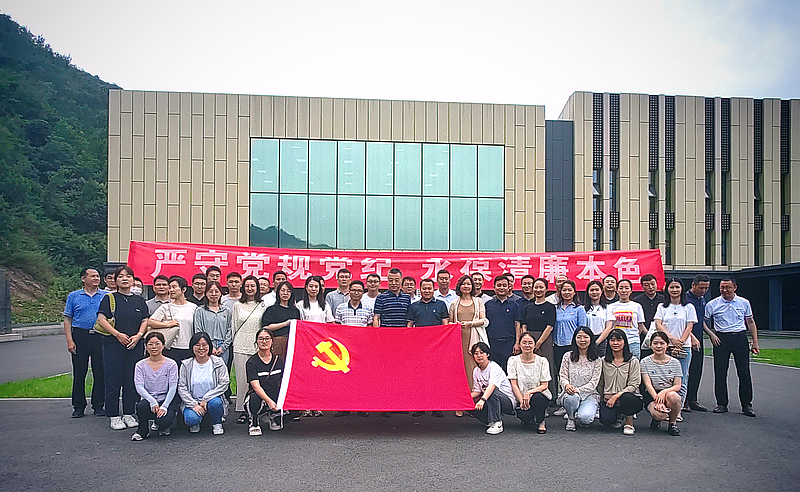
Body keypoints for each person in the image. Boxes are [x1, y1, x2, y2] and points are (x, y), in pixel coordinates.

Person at [96, 266, 149, 430]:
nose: (125, 279)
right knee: (113, 380)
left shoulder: (139, 300)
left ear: (133, 280)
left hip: (134, 345)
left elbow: (145, 320)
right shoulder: (109, 298)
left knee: (131, 380)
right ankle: (113, 415)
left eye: (128, 276)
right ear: (115, 280)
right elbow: (101, 319)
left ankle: (128, 413)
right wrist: (117, 334)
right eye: (121, 276)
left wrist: (139, 335)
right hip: (113, 344)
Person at [705, 277, 759, 417]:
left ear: (735, 287)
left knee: (744, 372)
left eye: (728, 287)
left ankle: (746, 404)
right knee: (720, 372)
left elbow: (750, 321)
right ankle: (722, 404)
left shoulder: (744, 302)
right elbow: (703, 321)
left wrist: (755, 341)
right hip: (721, 338)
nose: (725, 290)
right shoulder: (712, 304)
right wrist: (711, 334)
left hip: (739, 337)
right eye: (722, 287)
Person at [63, 267, 106, 418]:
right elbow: (68, 319)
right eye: (92, 276)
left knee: (100, 372)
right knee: (79, 372)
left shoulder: (105, 296)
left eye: (98, 276)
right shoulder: (74, 296)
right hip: (80, 335)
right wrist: (70, 340)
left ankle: (98, 405)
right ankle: (78, 406)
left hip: (100, 336)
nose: (96, 278)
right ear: (83, 278)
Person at [654, 277, 697, 419]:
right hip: (666, 347)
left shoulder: (688, 307)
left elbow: (689, 326)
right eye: (671, 287)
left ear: (682, 289)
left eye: (677, 287)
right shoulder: (662, 307)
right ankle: (666, 408)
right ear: (667, 289)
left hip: (684, 347)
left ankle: (677, 410)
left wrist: (681, 342)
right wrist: (671, 339)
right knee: (666, 379)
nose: (674, 290)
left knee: (682, 379)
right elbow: (658, 324)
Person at [178, 332, 230, 435]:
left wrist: (206, 398)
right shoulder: (186, 365)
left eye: (204, 345)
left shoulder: (218, 362)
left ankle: (217, 423)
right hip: (193, 401)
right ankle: (197, 421)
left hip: (211, 399)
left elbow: (224, 383)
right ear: (192, 347)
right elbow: (182, 387)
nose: (201, 348)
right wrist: (194, 405)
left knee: (216, 403)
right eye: (197, 345)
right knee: (191, 419)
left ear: (209, 346)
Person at [131, 332, 179, 440]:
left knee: (164, 420)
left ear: (163, 345)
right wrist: (152, 401)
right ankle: (142, 431)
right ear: (146, 346)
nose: (154, 347)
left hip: (165, 400)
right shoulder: (140, 365)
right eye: (150, 344)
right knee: (141, 406)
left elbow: (173, 387)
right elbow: (139, 386)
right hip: (149, 400)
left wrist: (165, 406)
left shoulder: (171, 364)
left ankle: (163, 426)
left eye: (157, 344)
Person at [231, 276, 267, 421]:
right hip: (240, 345)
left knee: (256, 380)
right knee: (242, 380)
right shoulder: (237, 305)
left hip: (257, 346)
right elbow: (233, 326)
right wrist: (234, 343)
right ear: (243, 287)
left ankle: (257, 408)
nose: (250, 288)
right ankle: (243, 410)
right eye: (247, 286)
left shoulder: (263, 305)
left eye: (253, 286)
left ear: (257, 288)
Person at [597, 329, 643, 435]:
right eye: (612, 340)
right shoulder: (603, 361)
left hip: (629, 397)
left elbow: (634, 384)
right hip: (608, 398)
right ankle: (618, 416)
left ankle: (629, 422)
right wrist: (603, 396)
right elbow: (600, 382)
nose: (615, 343)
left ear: (625, 342)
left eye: (619, 340)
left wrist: (616, 396)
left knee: (627, 398)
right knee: (606, 420)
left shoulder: (633, 361)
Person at [518, 277, 556, 401]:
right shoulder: (528, 307)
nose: (538, 290)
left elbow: (550, 327)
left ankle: (550, 398)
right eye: (536, 287)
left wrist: (538, 343)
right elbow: (524, 325)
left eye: (541, 287)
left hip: (544, 339)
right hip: (528, 339)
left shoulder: (550, 307)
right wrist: (525, 339)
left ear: (546, 289)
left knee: (546, 367)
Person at [448, 275, 488, 393]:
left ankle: (474, 394)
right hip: (458, 339)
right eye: (463, 284)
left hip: (474, 337)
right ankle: (459, 394)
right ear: (459, 286)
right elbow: (449, 322)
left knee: (473, 366)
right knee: (458, 366)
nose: (466, 286)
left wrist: (470, 324)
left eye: (468, 284)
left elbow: (484, 321)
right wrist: (456, 325)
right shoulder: (454, 303)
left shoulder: (478, 301)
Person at [558, 327, 602, 431]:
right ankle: (571, 418)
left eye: (585, 337)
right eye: (579, 337)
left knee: (585, 418)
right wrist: (567, 386)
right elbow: (563, 376)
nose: (582, 340)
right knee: (571, 398)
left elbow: (594, 382)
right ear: (574, 339)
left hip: (589, 394)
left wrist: (577, 390)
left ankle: (587, 412)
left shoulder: (597, 359)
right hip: (571, 394)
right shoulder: (567, 356)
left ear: (591, 339)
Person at [641, 331, 683, 436]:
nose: (658, 346)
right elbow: (648, 384)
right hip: (652, 393)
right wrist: (657, 400)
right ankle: (656, 419)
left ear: (667, 345)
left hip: (668, 392)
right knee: (659, 415)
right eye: (655, 343)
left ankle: (672, 423)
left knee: (674, 397)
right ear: (650, 345)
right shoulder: (644, 362)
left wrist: (664, 392)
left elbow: (677, 385)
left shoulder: (675, 363)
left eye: (662, 343)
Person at [507, 332, 551, 433]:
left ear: (534, 345)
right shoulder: (513, 360)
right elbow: (514, 384)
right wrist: (521, 400)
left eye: (530, 343)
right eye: (524, 342)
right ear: (519, 344)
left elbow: (544, 385)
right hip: (521, 397)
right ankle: (530, 418)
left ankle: (541, 421)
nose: (527, 345)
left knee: (537, 397)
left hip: (539, 396)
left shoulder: (542, 361)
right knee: (525, 416)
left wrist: (529, 393)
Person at [245, 328, 285, 435]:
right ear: (256, 342)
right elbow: (255, 386)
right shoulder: (251, 362)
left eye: (267, 338)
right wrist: (269, 401)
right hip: (258, 394)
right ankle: (254, 421)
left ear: (272, 341)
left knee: (292, 411)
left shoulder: (279, 360)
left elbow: (284, 380)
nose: (264, 341)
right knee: (254, 399)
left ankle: (272, 416)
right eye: (261, 339)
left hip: (274, 392)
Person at [469, 342, 515, 435]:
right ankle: (488, 420)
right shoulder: (476, 371)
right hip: (489, 400)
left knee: (491, 391)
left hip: (506, 401)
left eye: (482, 352)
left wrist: (482, 400)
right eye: (476, 353)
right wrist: (463, 399)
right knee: (468, 402)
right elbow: (477, 391)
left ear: (488, 354)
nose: (479, 355)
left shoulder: (494, 367)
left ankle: (497, 422)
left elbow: (492, 386)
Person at [148, 275, 197, 363]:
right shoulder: (166, 307)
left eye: (174, 287)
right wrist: (167, 324)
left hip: (190, 347)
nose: (171, 290)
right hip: (172, 347)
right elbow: (150, 322)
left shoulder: (193, 307)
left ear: (183, 289)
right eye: (170, 288)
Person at [553, 280, 588, 400]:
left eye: (569, 290)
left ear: (574, 292)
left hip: (572, 345)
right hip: (557, 345)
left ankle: (574, 397)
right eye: (564, 290)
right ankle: (562, 398)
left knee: (572, 372)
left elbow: (582, 328)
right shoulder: (556, 308)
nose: (567, 292)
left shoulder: (579, 308)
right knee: (561, 373)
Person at [684, 274, 715, 412]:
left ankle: (693, 399)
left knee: (697, 370)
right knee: (685, 371)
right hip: (685, 340)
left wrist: (711, 334)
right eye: (701, 288)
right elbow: (683, 322)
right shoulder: (684, 300)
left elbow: (700, 321)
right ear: (693, 285)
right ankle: (683, 399)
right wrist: (691, 337)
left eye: (706, 288)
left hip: (699, 340)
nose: (703, 291)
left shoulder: (702, 300)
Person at [598, 279, 646, 359]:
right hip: (616, 343)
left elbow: (640, 326)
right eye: (621, 288)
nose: (624, 290)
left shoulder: (637, 306)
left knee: (634, 364)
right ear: (617, 290)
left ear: (631, 290)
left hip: (633, 342)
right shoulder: (611, 307)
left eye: (626, 288)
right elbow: (609, 326)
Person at [483, 275, 520, 372]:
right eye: (499, 285)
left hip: (508, 343)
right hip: (492, 342)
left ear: (509, 287)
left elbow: (517, 324)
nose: (501, 288)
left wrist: (517, 342)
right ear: (494, 287)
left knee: (509, 371)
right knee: (493, 371)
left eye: (504, 285)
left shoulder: (514, 305)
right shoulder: (488, 304)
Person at [193, 281, 232, 367]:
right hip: (205, 346)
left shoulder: (227, 311)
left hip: (223, 346)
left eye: (216, 291)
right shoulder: (200, 311)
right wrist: (209, 346)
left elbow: (230, 330)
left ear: (220, 293)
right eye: (210, 291)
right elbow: (198, 330)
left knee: (222, 371)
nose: (213, 294)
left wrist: (223, 347)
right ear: (206, 293)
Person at [262, 280, 301, 359]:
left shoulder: (295, 310)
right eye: (282, 290)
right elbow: (266, 327)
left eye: (288, 291)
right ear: (278, 292)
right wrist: (285, 324)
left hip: (292, 342)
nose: (285, 293)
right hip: (277, 342)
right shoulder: (271, 309)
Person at [634, 273, 666, 358]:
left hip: (662, 335)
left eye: (653, 284)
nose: (650, 287)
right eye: (646, 285)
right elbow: (638, 321)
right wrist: (648, 334)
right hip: (643, 335)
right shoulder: (637, 301)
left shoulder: (664, 300)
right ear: (642, 286)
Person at [584, 280, 610, 356]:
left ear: (601, 291)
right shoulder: (583, 308)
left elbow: (609, 327)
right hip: (586, 340)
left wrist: (597, 342)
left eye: (597, 290)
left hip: (602, 340)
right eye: (592, 290)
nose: (594, 292)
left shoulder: (608, 308)